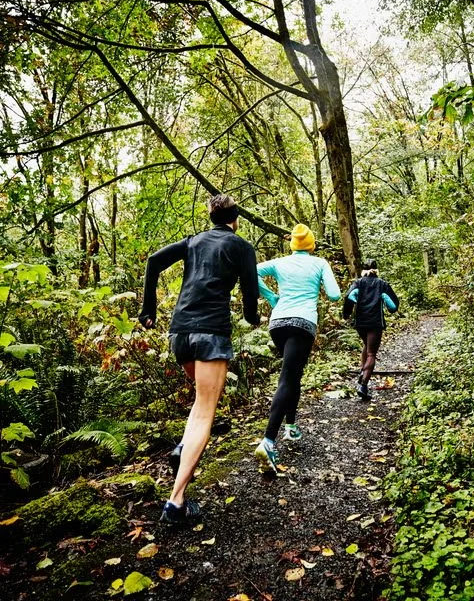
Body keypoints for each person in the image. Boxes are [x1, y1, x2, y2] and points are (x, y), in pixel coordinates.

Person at [138, 194, 260, 523]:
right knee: (206, 411)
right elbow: (251, 296)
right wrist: (253, 318)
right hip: (211, 333)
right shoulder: (242, 247)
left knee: (199, 401)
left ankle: (183, 448)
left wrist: (148, 308)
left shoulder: (193, 242)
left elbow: (153, 261)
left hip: (180, 333)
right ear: (236, 219)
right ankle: (176, 502)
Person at [254, 224, 341, 472]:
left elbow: (250, 271)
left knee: (293, 375)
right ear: (311, 245)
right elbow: (334, 295)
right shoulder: (319, 263)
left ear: (292, 244)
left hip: (278, 324)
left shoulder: (279, 262)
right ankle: (268, 440)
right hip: (303, 323)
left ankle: (291, 427)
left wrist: (271, 297)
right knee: (288, 378)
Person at [343, 259, 399, 401]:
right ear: (376, 270)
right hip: (375, 323)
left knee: (366, 347)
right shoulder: (382, 284)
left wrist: (346, 314)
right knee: (371, 353)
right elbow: (392, 306)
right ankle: (363, 384)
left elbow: (349, 298)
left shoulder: (358, 283)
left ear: (363, 270)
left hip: (360, 323)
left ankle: (363, 375)